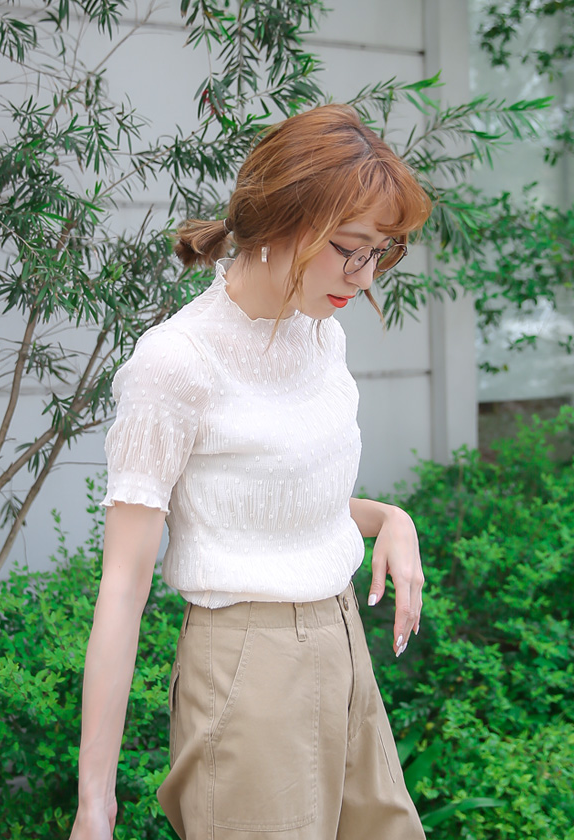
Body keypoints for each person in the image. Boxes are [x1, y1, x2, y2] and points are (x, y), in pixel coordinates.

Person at [69, 103, 432, 840]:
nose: (364, 277)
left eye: (382, 252)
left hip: (342, 642)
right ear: (280, 220)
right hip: (247, 667)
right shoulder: (176, 364)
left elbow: (272, 501)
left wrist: (388, 519)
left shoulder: (318, 333)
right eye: (350, 249)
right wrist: (93, 806)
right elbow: (123, 586)